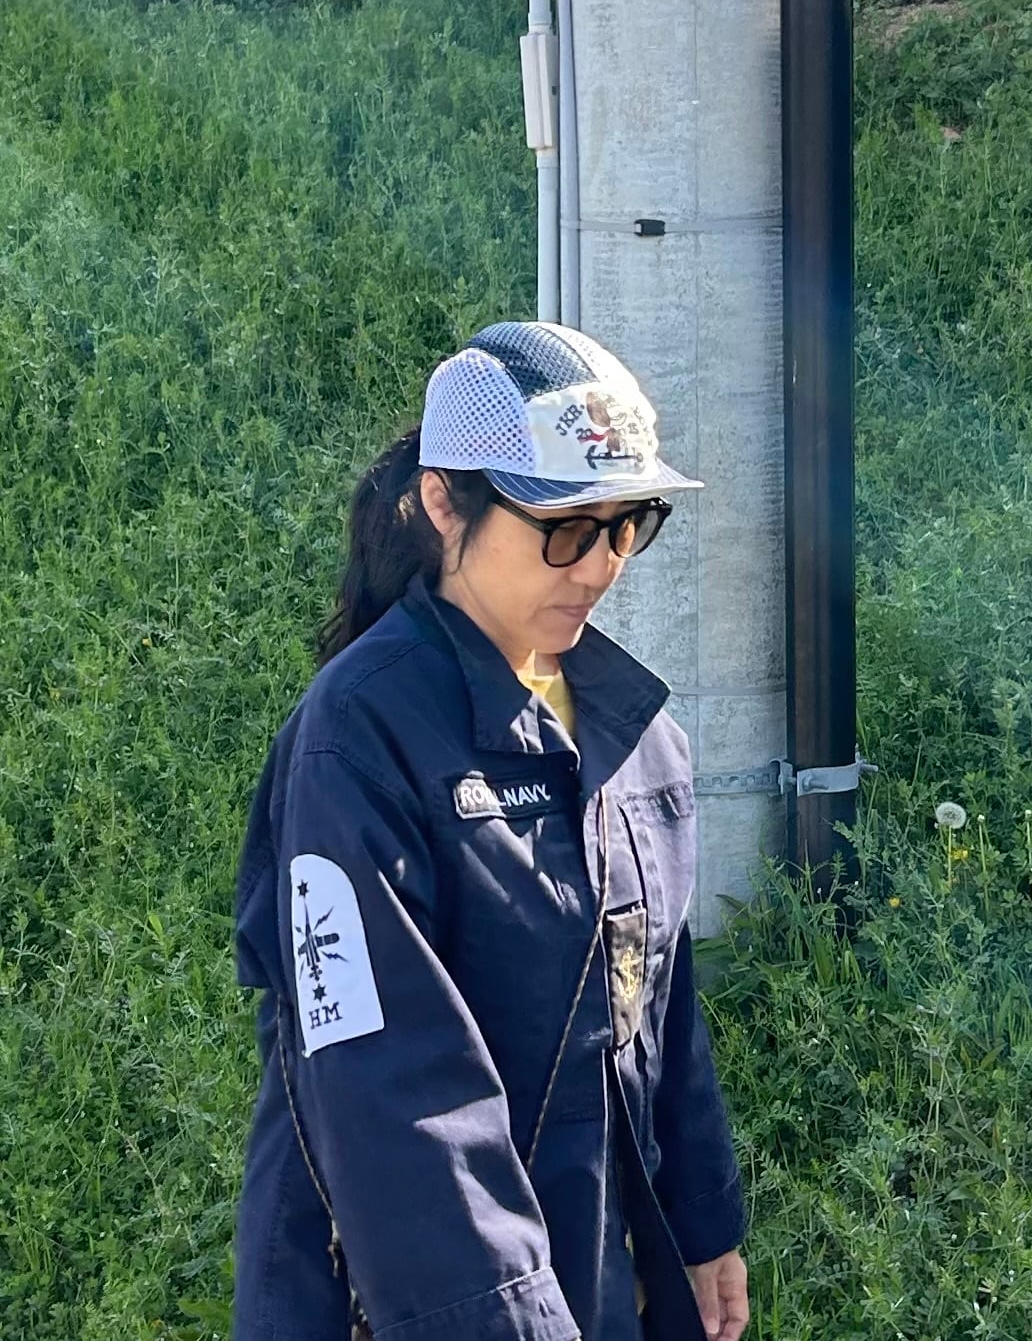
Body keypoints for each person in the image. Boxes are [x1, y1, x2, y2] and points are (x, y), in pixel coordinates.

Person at [232, 321, 750, 1341]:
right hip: (408, 1299)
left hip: (592, 1270)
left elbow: (657, 1004)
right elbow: (390, 1087)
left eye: (626, 525)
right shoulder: (359, 738)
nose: (597, 566)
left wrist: (700, 1225)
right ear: (443, 500)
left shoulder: (635, 733)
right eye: (562, 527)